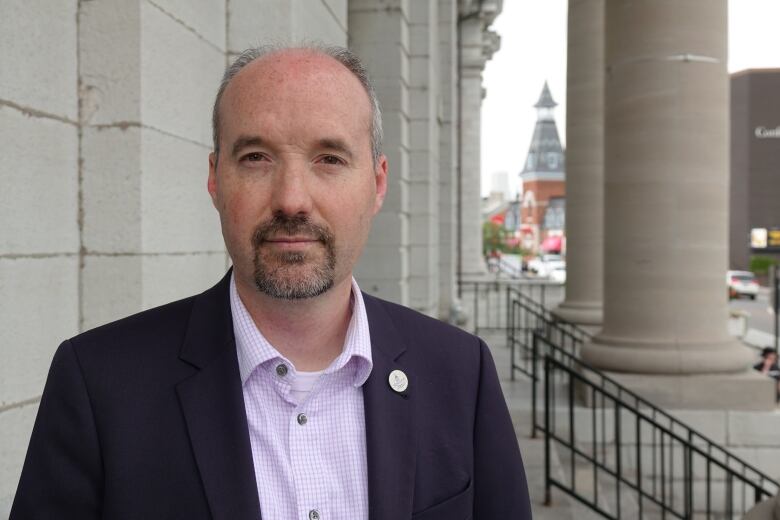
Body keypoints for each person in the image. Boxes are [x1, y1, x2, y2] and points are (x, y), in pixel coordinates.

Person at [11, 45, 531, 519]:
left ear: (376, 183)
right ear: (216, 180)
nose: (292, 199)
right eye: (256, 158)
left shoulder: (462, 373)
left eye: (329, 158)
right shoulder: (99, 383)